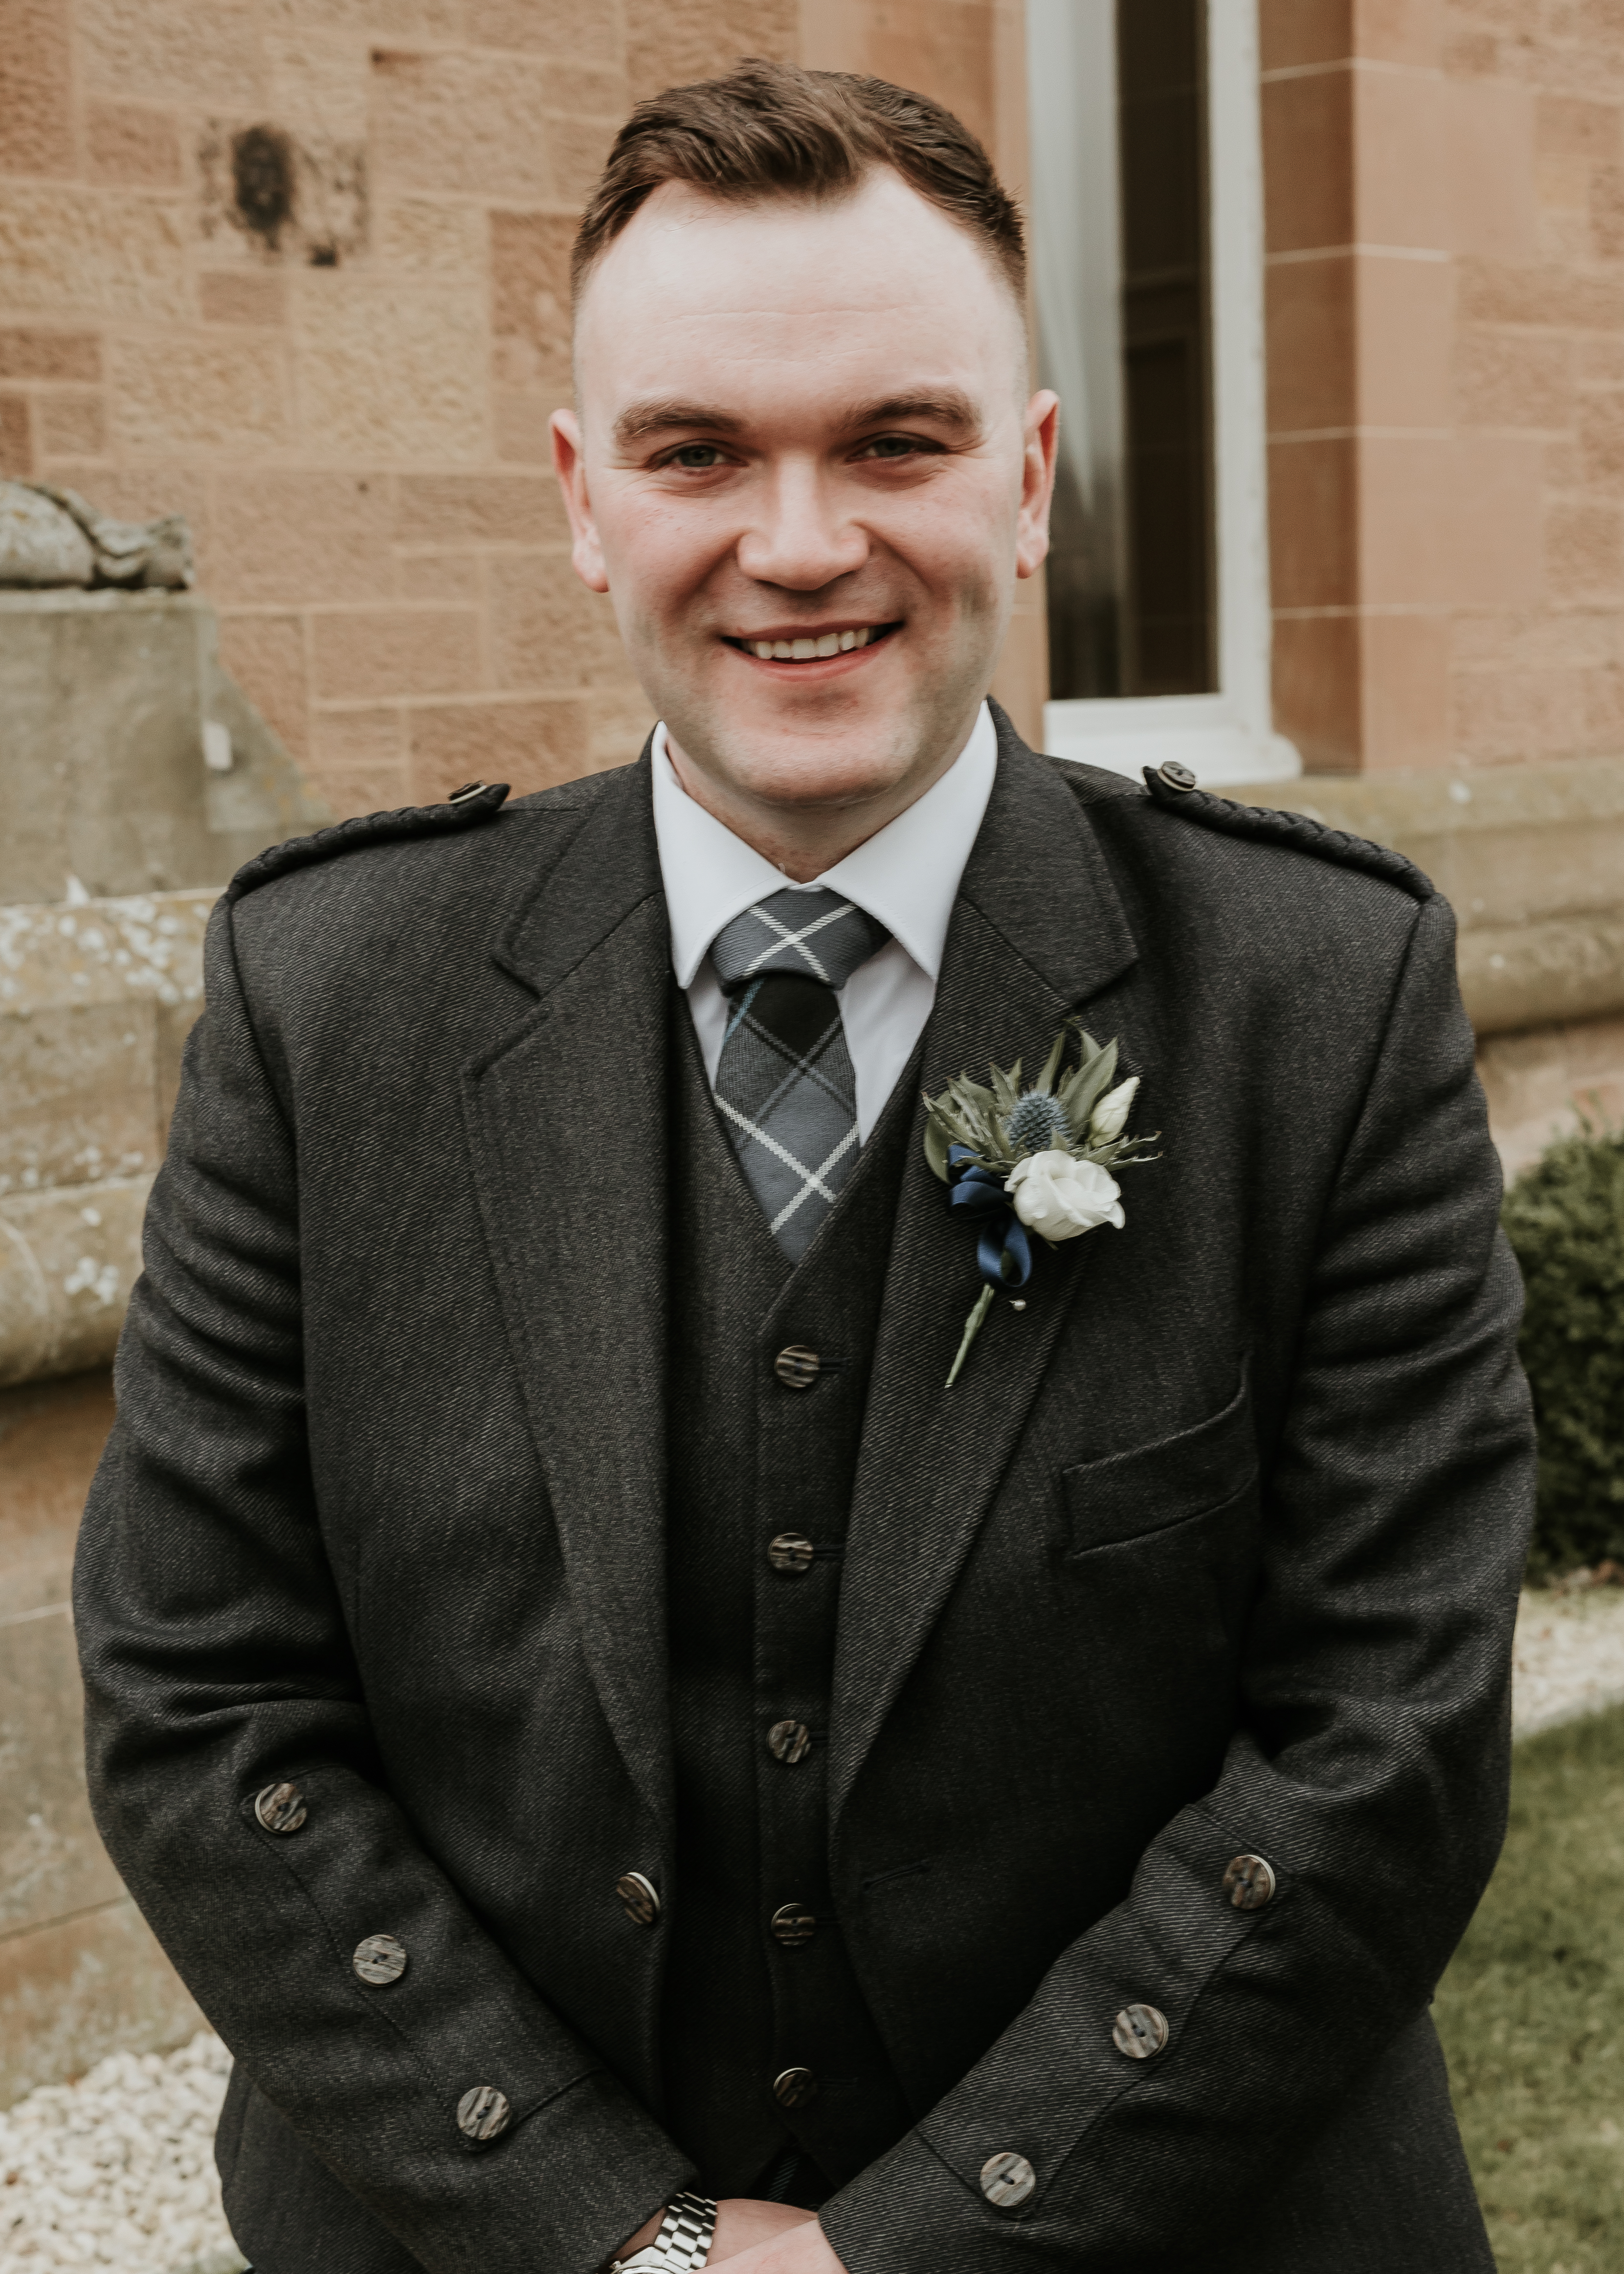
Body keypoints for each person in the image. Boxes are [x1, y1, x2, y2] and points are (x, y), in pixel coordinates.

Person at [74, 59, 1534, 2274]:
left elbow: (1384, 1739)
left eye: (894, 439)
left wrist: (920, 2243)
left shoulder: (1318, 999)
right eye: (697, 453)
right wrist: (615, 2233)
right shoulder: (326, 997)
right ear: (586, 500)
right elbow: (203, 1704)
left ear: (1031, 480)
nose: (797, 539)